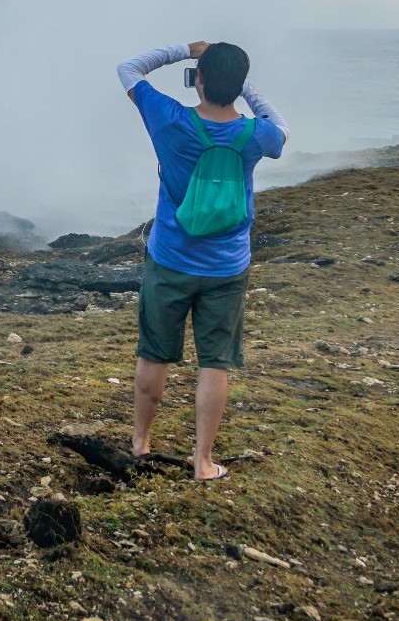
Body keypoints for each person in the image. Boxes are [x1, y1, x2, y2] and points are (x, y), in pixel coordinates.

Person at [115, 39, 287, 481]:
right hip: (227, 266)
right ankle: (203, 462)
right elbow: (279, 130)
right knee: (215, 362)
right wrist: (245, 87)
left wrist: (187, 49)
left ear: (200, 79)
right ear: (239, 82)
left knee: (154, 353)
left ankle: (139, 444)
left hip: (170, 258)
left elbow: (129, 69)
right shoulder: (254, 135)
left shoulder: (171, 120)